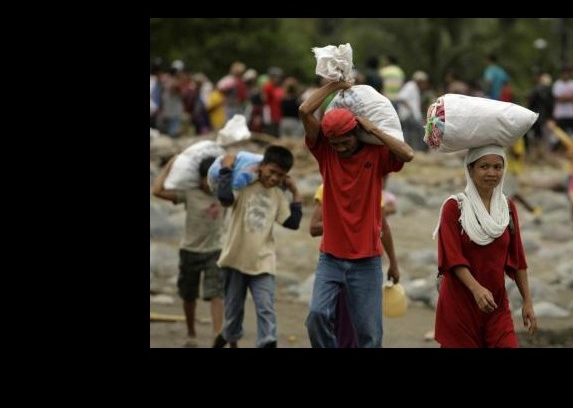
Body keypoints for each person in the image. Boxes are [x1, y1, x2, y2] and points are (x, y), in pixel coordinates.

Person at [299, 79, 414, 348]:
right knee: (316, 316)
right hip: (330, 257)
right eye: (335, 143)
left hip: (367, 261)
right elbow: (305, 111)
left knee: (370, 335)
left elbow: (407, 154)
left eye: (345, 142)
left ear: (357, 133)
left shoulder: (377, 155)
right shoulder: (326, 153)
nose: (341, 148)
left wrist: (372, 128)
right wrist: (335, 86)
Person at [433, 145, 537, 348]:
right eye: (484, 166)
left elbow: (518, 259)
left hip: (496, 305)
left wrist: (527, 301)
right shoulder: (454, 208)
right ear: (470, 169)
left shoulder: (507, 208)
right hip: (460, 305)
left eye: (498, 167)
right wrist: (476, 289)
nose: (491, 173)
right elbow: (453, 259)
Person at [211, 145, 302, 348]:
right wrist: (226, 169)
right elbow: (225, 198)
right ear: (261, 167)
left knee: (266, 308)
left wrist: (295, 192)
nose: (274, 178)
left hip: (263, 261)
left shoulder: (278, 196)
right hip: (234, 259)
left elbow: (292, 223)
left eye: (281, 175)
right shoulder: (243, 185)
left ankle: (267, 342)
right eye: (272, 172)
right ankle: (226, 335)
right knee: (234, 313)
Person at [309, 184, 400, 347]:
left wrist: (393, 263)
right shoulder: (326, 189)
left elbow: (383, 228)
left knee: (367, 329)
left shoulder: (371, 188)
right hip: (332, 261)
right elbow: (314, 228)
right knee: (319, 315)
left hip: (365, 265)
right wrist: (341, 224)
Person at [152, 155, 226, 347]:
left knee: (216, 293)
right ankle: (191, 332)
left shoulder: (224, 194)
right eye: (207, 179)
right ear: (200, 178)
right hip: (190, 251)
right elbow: (157, 191)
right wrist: (169, 165)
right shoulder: (190, 193)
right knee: (188, 295)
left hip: (215, 250)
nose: (210, 184)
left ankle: (218, 335)